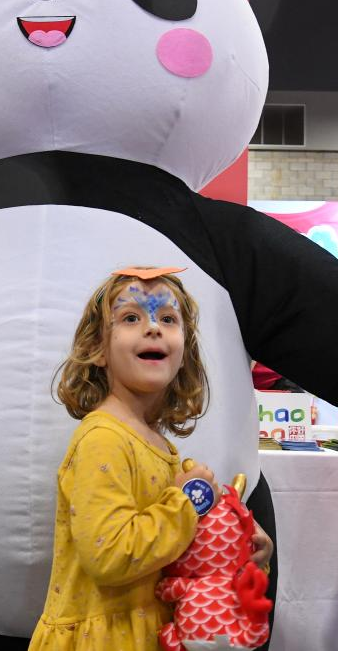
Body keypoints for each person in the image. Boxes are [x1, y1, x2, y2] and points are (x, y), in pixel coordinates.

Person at [30, 267, 273, 651]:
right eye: (131, 318)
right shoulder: (104, 439)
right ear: (98, 349)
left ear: (184, 352)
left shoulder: (158, 445)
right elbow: (108, 556)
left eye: (168, 319)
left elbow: (171, 553)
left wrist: (237, 549)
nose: (154, 328)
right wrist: (185, 504)